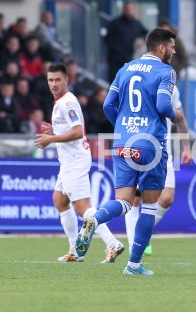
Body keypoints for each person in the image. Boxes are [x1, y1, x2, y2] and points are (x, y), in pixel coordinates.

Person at [75, 27, 183, 275]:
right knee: (148, 206)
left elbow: (107, 104)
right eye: (172, 47)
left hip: (123, 141)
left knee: (123, 201)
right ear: (161, 48)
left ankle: (96, 218)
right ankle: (134, 265)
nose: (174, 52)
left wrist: (123, 126)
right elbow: (163, 105)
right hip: (150, 145)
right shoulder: (166, 71)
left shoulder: (125, 68)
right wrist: (175, 116)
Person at [34, 63, 124, 263]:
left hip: (75, 161)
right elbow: (70, 130)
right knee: (60, 200)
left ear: (67, 80)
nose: (54, 84)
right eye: (50, 80)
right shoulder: (60, 102)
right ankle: (74, 250)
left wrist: (51, 139)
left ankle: (112, 243)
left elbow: (77, 131)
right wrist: (54, 132)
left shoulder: (67, 102)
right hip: (69, 161)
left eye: (58, 79)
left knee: (84, 208)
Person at [125, 86, 191, 255]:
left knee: (167, 198)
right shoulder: (138, 82)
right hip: (139, 149)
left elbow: (180, 116)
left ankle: (143, 232)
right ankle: (134, 247)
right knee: (135, 200)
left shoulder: (171, 87)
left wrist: (187, 147)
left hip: (163, 153)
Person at [104, 2, 148, 83]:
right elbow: (108, 39)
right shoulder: (115, 24)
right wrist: (117, 51)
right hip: (116, 61)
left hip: (130, 60)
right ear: (124, 10)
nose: (129, 11)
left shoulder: (137, 24)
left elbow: (145, 33)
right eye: (127, 9)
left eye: (131, 9)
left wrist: (141, 39)